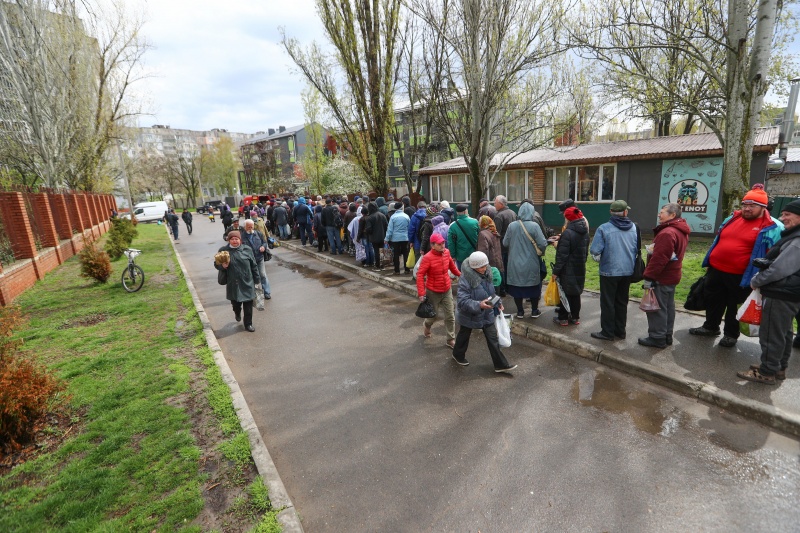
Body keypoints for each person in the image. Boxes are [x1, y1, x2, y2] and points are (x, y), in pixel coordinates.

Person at [689, 184, 784, 348]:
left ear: (763, 207)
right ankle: (710, 327)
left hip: (742, 276)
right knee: (713, 300)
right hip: (716, 270)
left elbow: (775, 255)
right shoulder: (732, 218)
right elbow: (718, 239)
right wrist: (710, 261)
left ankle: (731, 335)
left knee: (735, 304)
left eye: (752, 205)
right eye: (745, 204)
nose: (747, 208)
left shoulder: (773, 227)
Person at [736, 199, 800, 384]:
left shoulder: (796, 241)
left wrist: (757, 281)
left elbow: (779, 269)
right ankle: (778, 368)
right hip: (788, 293)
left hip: (781, 293)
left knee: (772, 334)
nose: (783, 217)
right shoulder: (794, 236)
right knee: (784, 333)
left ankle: (766, 372)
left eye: (787, 214)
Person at [453, 251, 517, 373]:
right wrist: (479, 305)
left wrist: (497, 303)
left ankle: (500, 365)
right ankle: (457, 354)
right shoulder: (465, 279)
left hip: (487, 312)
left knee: (493, 338)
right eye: (480, 267)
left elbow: (491, 292)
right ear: (473, 267)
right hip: (469, 315)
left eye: (485, 265)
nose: (484, 268)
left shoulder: (488, 272)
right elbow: (462, 301)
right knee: (464, 335)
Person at [638, 203, 691, 348]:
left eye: (662, 212)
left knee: (656, 308)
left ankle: (657, 338)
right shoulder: (679, 230)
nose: (659, 215)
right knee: (667, 307)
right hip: (672, 275)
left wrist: (649, 276)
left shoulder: (668, 233)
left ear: (672, 215)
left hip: (662, 277)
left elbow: (660, 258)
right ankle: (666, 335)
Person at [589, 200, 638, 340]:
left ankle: (607, 332)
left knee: (608, 303)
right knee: (622, 302)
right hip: (628, 270)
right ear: (625, 212)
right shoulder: (634, 228)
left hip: (609, 271)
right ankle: (620, 331)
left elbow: (595, 250)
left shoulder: (604, 228)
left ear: (611, 212)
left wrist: (599, 259)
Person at [502, 202, 549, 319]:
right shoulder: (534, 226)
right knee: (533, 286)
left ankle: (520, 312)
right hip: (531, 262)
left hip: (514, 262)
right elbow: (543, 243)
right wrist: (541, 252)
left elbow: (505, 243)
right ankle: (534, 310)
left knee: (516, 287)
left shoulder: (512, 226)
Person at [416, 233, 461, 348]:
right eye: (439, 244)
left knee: (450, 315)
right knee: (433, 315)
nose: (442, 245)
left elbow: (452, 266)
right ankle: (427, 325)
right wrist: (421, 293)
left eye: (443, 243)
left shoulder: (446, 253)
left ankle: (450, 339)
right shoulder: (427, 258)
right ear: (432, 245)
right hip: (432, 291)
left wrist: (460, 275)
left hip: (446, 289)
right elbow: (420, 275)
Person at [214, 230, 260, 332]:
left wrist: (257, 280)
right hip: (233, 282)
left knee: (248, 304)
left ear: (240, 240)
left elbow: (254, 265)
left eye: (237, 239)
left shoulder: (247, 249)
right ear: (229, 240)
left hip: (247, 281)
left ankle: (248, 324)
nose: (235, 241)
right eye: (232, 239)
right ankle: (237, 312)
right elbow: (216, 264)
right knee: (235, 303)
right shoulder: (223, 251)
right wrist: (222, 266)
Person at [552, 206, 589, 326]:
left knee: (565, 292)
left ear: (568, 219)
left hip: (568, 268)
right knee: (576, 292)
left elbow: (562, 256)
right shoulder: (585, 233)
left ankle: (563, 318)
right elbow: (585, 252)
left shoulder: (567, 233)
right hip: (580, 266)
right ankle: (575, 317)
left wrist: (556, 271)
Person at [241, 219, 272, 300]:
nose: (250, 228)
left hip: (259, 258)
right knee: (252, 277)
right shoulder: (242, 236)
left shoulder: (258, 233)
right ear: (245, 227)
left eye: (252, 226)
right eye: (248, 227)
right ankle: (254, 294)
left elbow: (264, 242)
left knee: (262, 275)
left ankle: (267, 292)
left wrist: (263, 247)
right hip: (249, 260)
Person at [494, 195, 517, 296]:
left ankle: (504, 288)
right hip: (513, 245)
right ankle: (511, 287)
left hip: (502, 246)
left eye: (495, 203)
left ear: (501, 204)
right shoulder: (513, 213)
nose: (494, 204)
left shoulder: (499, 216)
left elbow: (496, 234)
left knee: (502, 268)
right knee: (510, 267)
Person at [447, 204, 480, 270]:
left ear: (457, 213)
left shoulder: (452, 226)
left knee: (462, 276)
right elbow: (480, 237)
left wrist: (453, 255)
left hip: (461, 256)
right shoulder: (475, 222)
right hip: (474, 254)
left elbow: (451, 243)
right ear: (465, 212)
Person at [385, 202, 411, 275]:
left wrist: (386, 239)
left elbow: (390, 229)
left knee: (396, 254)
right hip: (405, 238)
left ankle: (397, 270)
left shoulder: (393, 217)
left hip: (395, 239)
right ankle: (407, 269)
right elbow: (409, 228)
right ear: (401, 208)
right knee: (405, 254)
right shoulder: (406, 216)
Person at [364, 202, 388, 271]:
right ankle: (382, 265)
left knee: (376, 251)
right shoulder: (382, 215)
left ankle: (377, 266)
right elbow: (386, 226)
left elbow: (369, 229)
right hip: (383, 236)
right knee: (382, 251)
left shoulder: (370, 217)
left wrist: (367, 232)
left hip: (374, 237)